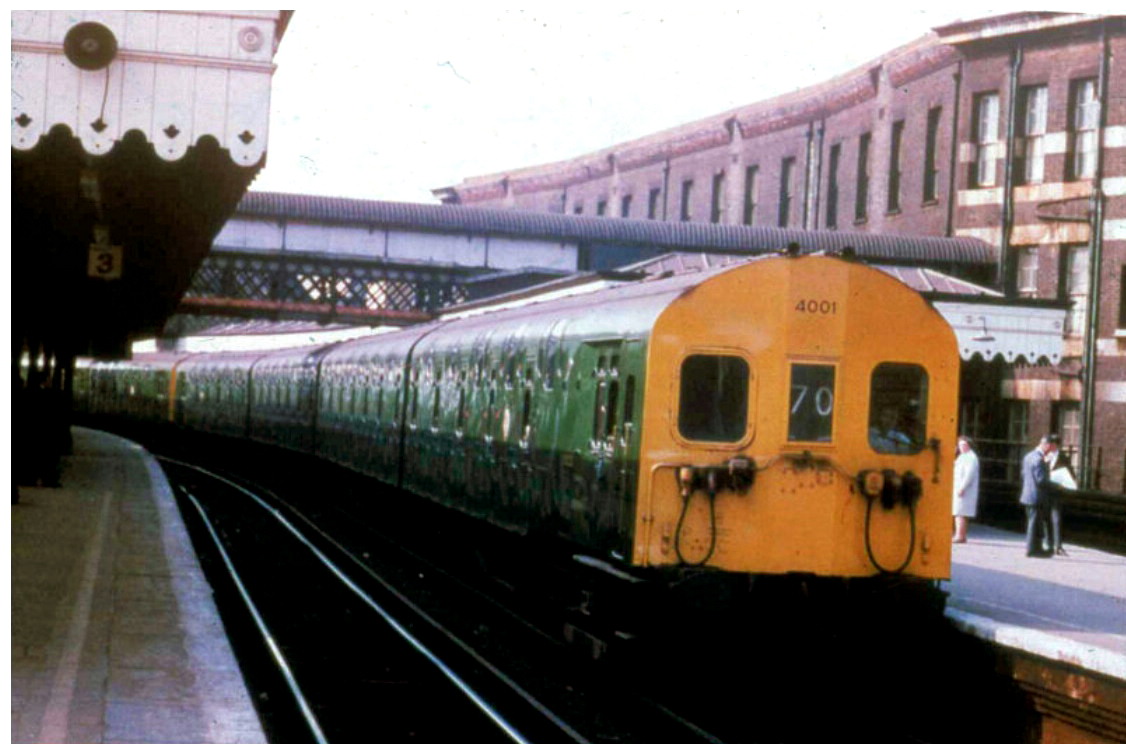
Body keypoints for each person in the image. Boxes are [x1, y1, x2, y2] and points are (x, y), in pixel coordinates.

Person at [1019, 434, 1058, 558]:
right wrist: (1056, 484)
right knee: (1034, 524)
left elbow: (1024, 474)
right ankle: (1032, 550)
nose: (1052, 450)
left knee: (1035, 523)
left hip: (1028, 494)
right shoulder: (1039, 459)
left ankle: (1037, 548)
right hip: (1037, 496)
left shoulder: (1028, 456)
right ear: (1046, 445)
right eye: (1051, 447)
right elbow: (1041, 480)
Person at [951, 436, 980, 543]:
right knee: (959, 512)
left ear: (969, 445)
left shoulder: (971, 457)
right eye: (960, 445)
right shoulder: (962, 456)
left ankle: (960, 535)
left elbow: (969, 475)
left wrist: (962, 488)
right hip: (959, 487)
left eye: (964, 445)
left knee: (960, 513)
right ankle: (960, 534)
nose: (962, 447)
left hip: (964, 489)